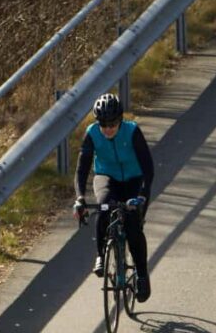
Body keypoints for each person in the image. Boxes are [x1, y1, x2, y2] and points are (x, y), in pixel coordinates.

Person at [73, 93, 155, 302]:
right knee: (103, 207)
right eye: (104, 124)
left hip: (134, 180)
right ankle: (101, 255)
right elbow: (81, 170)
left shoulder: (132, 131)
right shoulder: (92, 134)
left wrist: (143, 196)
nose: (108, 129)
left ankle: (143, 275)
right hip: (106, 177)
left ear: (120, 120)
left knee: (132, 226)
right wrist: (80, 198)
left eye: (112, 124)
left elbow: (148, 169)